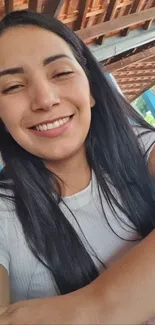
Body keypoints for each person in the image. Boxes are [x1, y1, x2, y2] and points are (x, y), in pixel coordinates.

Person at [0, 9, 155, 324]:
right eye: (13, 86)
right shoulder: (4, 214)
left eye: (60, 73)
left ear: (93, 89)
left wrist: (95, 307)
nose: (45, 99)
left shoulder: (139, 146)